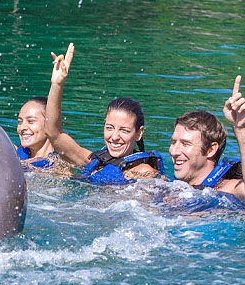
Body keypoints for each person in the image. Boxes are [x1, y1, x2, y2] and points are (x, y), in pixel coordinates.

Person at [44, 45, 164, 184]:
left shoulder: (144, 173)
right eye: (109, 128)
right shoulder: (91, 160)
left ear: (139, 133)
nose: (114, 137)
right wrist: (57, 85)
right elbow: (53, 132)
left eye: (124, 130)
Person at [0, 21, 66, 171]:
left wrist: (57, 84)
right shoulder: (15, 155)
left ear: (49, 123)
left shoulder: (61, 165)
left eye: (31, 121)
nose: (22, 128)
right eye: (20, 121)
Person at [169, 76, 245, 206]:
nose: (174, 151)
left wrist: (241, 128)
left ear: (210, 150)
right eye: (173, 142)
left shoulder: (227, 190)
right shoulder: (165, 185)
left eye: (185, 143)